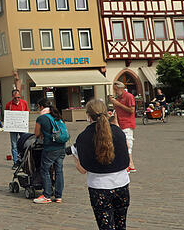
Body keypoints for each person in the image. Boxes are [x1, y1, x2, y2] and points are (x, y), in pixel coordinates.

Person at [72, 99, 130, 229]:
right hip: (121, 184)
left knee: (106, 226)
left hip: (99, 187)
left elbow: (82, 169)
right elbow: (127, 154)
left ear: (88, 115)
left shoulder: (84, 137)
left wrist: (75, 158)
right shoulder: (118, 132)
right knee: (121, 225)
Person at [32, 98, 67, 204]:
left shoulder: (42, 118)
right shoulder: (57, 115)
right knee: (59, 171)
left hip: (50, 148)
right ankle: (58, 196)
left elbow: (36, 133)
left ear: (41, 107)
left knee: (45, 170)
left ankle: (47, 195)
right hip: (61, 146)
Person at [109, 81, 136, 173]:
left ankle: (127, 164)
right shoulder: (118, 98)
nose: (115, 92)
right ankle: (130, 164)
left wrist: (117, 103)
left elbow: (131, 110)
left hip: (127, 123)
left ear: (121, 89)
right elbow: (117, 109)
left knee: (127, 143)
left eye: (116, 90)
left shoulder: (128, 96)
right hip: (119, 123)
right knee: (123, 143)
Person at [6, 82, 30, 169]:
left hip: (22, 126)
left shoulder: (24, 103)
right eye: (15, 98)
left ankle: (24, 160)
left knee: (25, 143)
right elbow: (7, 115)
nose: (17, 99)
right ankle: (16, 162)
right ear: (13, 97)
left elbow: (27, 113)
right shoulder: (9, 104)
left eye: (19, 97)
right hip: (13, 127)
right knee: (14, 145)